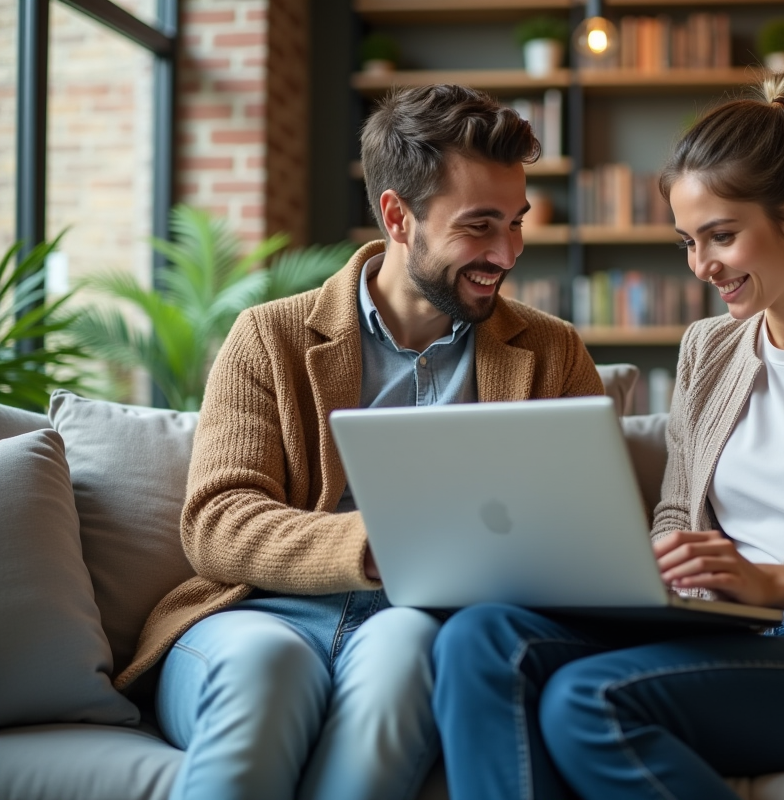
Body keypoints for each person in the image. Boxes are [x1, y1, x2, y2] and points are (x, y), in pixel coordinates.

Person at [432, 66, 784, 799]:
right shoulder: (710, 349)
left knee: (590, 699)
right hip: (738, 632)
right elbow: (678, 513)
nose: (702, 266)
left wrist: (777, 582)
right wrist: (665, 570)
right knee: (479, 640)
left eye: (721, 236)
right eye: (686, 243)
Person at [113, 84, 604, 800]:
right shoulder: (269, 337)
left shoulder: (552, 352)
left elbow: (589, 527)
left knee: (407, 660)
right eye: (480, 226)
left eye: (517, 223)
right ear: (398, 217)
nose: (507, 252)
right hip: (258, 611)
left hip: (416, 622)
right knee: (266, 672)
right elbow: (216, 522)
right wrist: (373, 543)